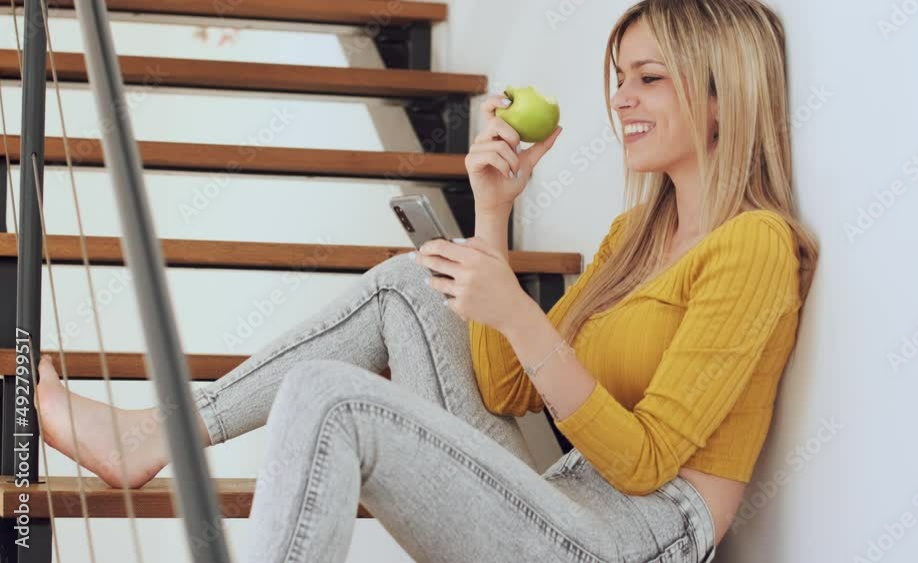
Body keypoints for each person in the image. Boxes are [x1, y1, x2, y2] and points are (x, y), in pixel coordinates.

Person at [35, 0, 818, 561]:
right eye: (619, 76)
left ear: (723, 98)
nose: (621, 97)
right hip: (564, 493)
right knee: (409, 281)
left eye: (650, 78)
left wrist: (518, 311)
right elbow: (504, 386)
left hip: (632, 536)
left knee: (329, 394)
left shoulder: (755, 246)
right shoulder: (635, 235)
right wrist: (492, 212)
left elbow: (647, 464)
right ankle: (155, 432)